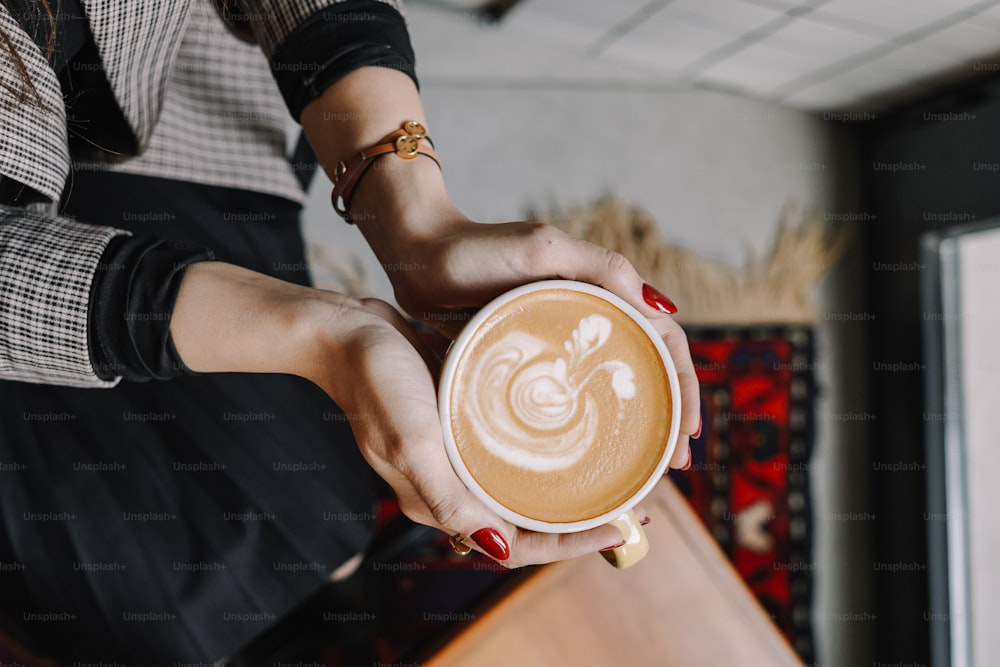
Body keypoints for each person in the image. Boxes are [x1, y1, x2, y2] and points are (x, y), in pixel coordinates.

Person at [0, 0, 701, 662]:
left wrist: (412, 211)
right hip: (67, 216)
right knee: (299, 540)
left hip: (160, 93)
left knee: (270, 554)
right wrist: (321, 338)